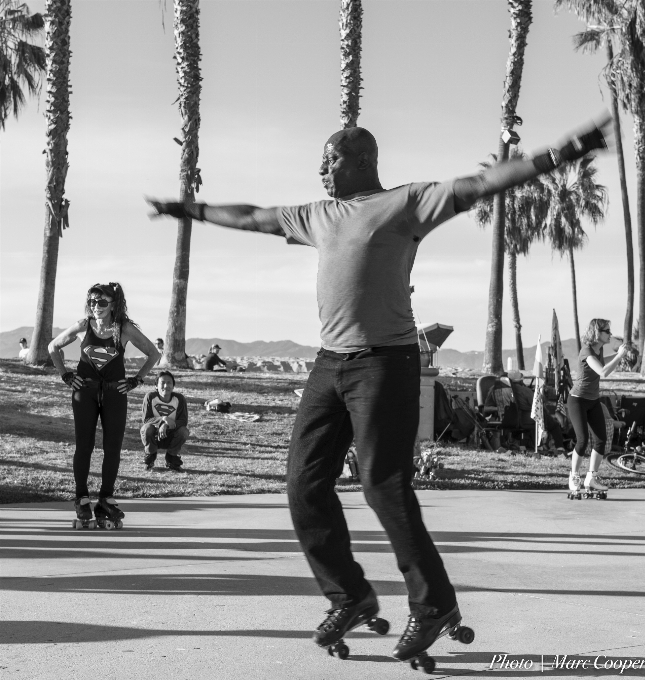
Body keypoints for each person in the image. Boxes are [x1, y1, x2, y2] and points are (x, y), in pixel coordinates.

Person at [148, 116, 611, 660]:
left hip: (385, 363)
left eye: (331, 158)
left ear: (362, 159)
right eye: (320, 161)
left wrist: (560, 154)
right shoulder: (316, 216)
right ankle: (349, 596)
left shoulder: (406, 203)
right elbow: (252, 216)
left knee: (381, 484)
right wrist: (189, 209)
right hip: (328, 364)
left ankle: (433, 603)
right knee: (303, 484)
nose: (322, 167)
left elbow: (480, 184)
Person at [48, 282, 160, 527]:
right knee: (84, 446)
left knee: (113, 448)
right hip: (84, 393)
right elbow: (53, 346)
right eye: (91, 302)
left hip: (114, 394)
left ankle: (106, 499)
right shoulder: (83, 325)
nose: (95, 307)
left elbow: (154, 354)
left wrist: (136, 380)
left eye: (101, 302)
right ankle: (82, 499)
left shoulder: (125, 328)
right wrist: (65, 374)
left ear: (113, 304)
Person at [567, 319, 627, 495]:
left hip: (593, 401)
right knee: (582, 440)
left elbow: (601, 361)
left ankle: (591, 478)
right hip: (577, 400)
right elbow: (603, 371)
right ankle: (574, 476)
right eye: (607, 331)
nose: (610, 333)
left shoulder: (598, 349)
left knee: (601, 439)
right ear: (597, 332)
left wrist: (618, 356)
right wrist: (619, 356)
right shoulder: (586, 351)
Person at [141, 370, 190, 471]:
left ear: (173, 386)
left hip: (171, 434)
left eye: (169, 383)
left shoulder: (179, 399)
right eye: (162, 382)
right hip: (154, 434)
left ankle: (172, 458)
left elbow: (183, 421)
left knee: (184, 431)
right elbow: (146, 420)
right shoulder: (150, 397)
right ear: (156, 386)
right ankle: (150, 456)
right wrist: (163, 419)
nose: (166, 386)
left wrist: (166, 425)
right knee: (147, 429)